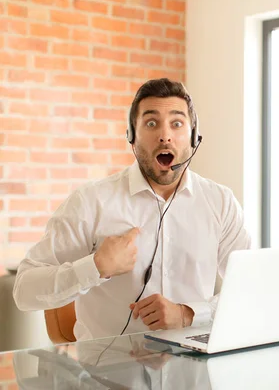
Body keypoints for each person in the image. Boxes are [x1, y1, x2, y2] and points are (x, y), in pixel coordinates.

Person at [12, 78, 251, 341]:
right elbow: (24, 290)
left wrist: (189, 314)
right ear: (131, 136)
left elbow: (250, 288)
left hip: (192, 374)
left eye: (177, 123)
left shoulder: (220, 202)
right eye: (151, 123)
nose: (165, 135)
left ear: (194, 137)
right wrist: (95, 267)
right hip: (105, 375)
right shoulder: (91, 202)